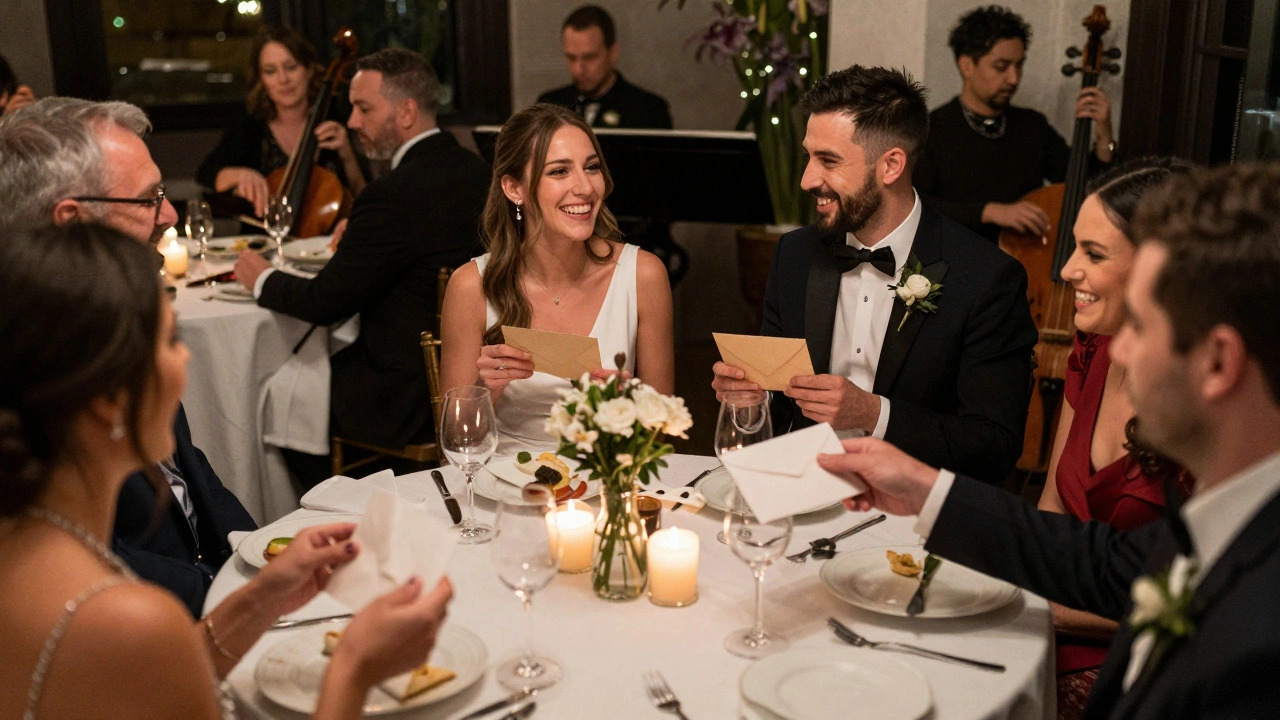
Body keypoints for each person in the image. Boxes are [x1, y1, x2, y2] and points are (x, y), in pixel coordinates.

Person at [820, 161, 1280, 719]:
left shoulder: (1256, 652)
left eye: (1141, 325)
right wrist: (924, 488)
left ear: (1218, 362)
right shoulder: (1235, 513)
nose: (1123, 352)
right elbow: (1108, 564)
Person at [0, 222, 454, 720]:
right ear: (110, 402)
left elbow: (152, 687)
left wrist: (262, 595)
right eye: (172, 340)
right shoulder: (125, 616)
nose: (187, 357)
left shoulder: (29, 543)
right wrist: (355, 665)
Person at [712, 65, 1038, 483]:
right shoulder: (795, 255)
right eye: (808, 157)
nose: (807, 179)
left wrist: (873, 414)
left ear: (891, 166)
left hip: (915, 506)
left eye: (828, 161)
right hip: (803, 488)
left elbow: (994, 446)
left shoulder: (986, 278)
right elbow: (775, 409)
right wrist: (748, 402)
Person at [0, 97, 259, 614]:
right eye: (148, 199)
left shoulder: (119, 311)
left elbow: (190, 478)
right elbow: (88, 557)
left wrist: (265, 555)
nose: (169, 214)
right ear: (72, 220)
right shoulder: (28, 363)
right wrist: (234, 592)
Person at [234, 49, 489, 487]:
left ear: (406, 112)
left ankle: (319, 509)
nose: (352, 121)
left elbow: (323, 301)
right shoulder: (478, 170)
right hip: (474, 371)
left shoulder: (390, 195)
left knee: (276, 395)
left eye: (364, 108)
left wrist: (260, 277)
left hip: (401, 394)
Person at [1037, 157, 1194, 717]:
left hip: (1141, 665)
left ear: (1159, 267)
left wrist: (1041, 607)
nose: (1066, 271)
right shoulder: (1094, 345)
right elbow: (1055, 500)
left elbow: (1194, 598)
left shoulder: (1205, 398)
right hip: (1045, 625)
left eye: (1094, 255)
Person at [439, 102, 675, 454]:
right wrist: (484, 390)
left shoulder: (643, 275)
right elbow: (454, 441)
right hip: (503, 485)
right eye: (559, 171)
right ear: (513, 188)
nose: (585, 187)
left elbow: (664, 435)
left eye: (591, 167)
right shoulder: (471, 285)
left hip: (606, 481)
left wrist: (628, 413)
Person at [914, 5, 1116, 243]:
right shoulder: (932, 129)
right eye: (1001, 67)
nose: (1014, 78)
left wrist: (1104, 136)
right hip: (958, 262)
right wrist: (988, 212)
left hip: (1025, 259)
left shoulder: (1032, 126)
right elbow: (914, 205)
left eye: (1019, 65)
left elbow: (1085, 190)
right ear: (966, 65)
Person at [196, 26, 366, 217]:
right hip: (262, 242)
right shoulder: (250, 124)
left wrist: (346, 153)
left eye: (291, 67)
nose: (283, 79)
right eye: (270, 71)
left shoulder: (337, 115)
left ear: (309, 70)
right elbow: (206, 173)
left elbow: (365, 197)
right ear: (261, 79)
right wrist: (240, 175)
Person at [537, 5, 674, 130]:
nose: (579, 69)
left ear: (613, 53)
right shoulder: (550, 105)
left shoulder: (648, 109)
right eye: (571, 58)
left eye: (589, 57)